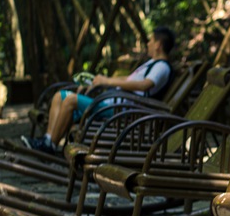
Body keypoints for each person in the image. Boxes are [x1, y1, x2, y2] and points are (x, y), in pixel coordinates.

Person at [21, 27, 176, 156]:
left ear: (158, 44)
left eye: (151, 40)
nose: (148, 43)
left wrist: (107, 82)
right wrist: (102, 80)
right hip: (113, 103)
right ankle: (48, 140)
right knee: (60, 96)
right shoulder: (152, 63)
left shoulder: (162, 67)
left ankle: (50, 145)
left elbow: (144, 85)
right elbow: (128, 80)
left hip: (121, 110)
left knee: (71, 100)